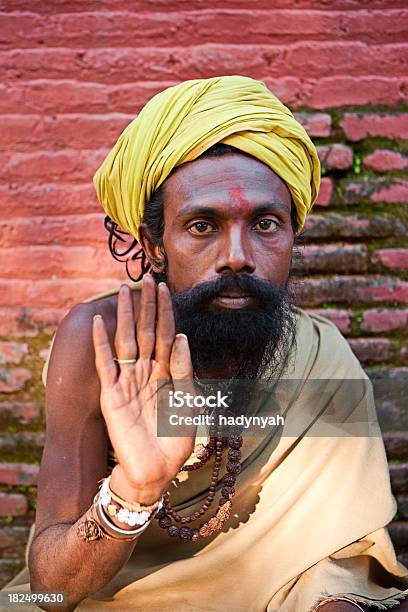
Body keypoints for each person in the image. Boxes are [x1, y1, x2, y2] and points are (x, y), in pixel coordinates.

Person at [2, 76, 408, 612]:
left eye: (265, 223)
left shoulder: (320, 357)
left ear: (292, 236)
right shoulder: (98, 342)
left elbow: (338, 569)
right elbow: (53, 589)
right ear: (153, 245)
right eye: (201, 226)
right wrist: (134, 489)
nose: (237, 255)